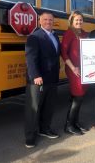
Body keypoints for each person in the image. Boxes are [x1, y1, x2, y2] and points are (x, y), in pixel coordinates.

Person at [24, 12, 61, 148]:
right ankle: (30, 136)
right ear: (40, 21)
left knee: (48, 106)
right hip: (38, 79)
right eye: (45, 19)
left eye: (50, 20)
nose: (48, 22)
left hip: (52, 78)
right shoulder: (34, 36)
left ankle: (45, 129)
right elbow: (30, 58)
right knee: (33, 109)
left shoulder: (55, 35)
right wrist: (35, 75)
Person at [61, 10, 88, 135]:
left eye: (81, 20)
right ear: (72, 20)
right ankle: (69, 125)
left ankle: (75, 122)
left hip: (84, 69)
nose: (79, 22)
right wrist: (73, 68)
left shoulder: (83, 33)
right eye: (76, 20)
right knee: (78, 95)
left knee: (79, 97)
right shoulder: (69, 33)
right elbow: (64, 53)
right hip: (74, 69)